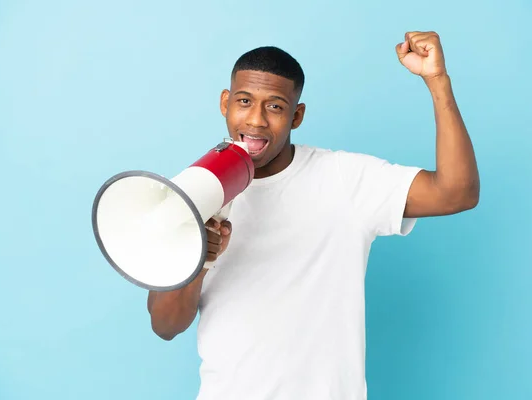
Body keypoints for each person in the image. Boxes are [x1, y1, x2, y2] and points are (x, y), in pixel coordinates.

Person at [147, 31, 480, 400]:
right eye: (244, 101)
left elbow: (457, 193)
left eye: (274, 106)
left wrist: (437, 81)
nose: (255, 120)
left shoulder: (344, 179)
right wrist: (201, 259)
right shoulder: (193, 190)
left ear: (297, 115)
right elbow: (165, 324)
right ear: (226, 103)